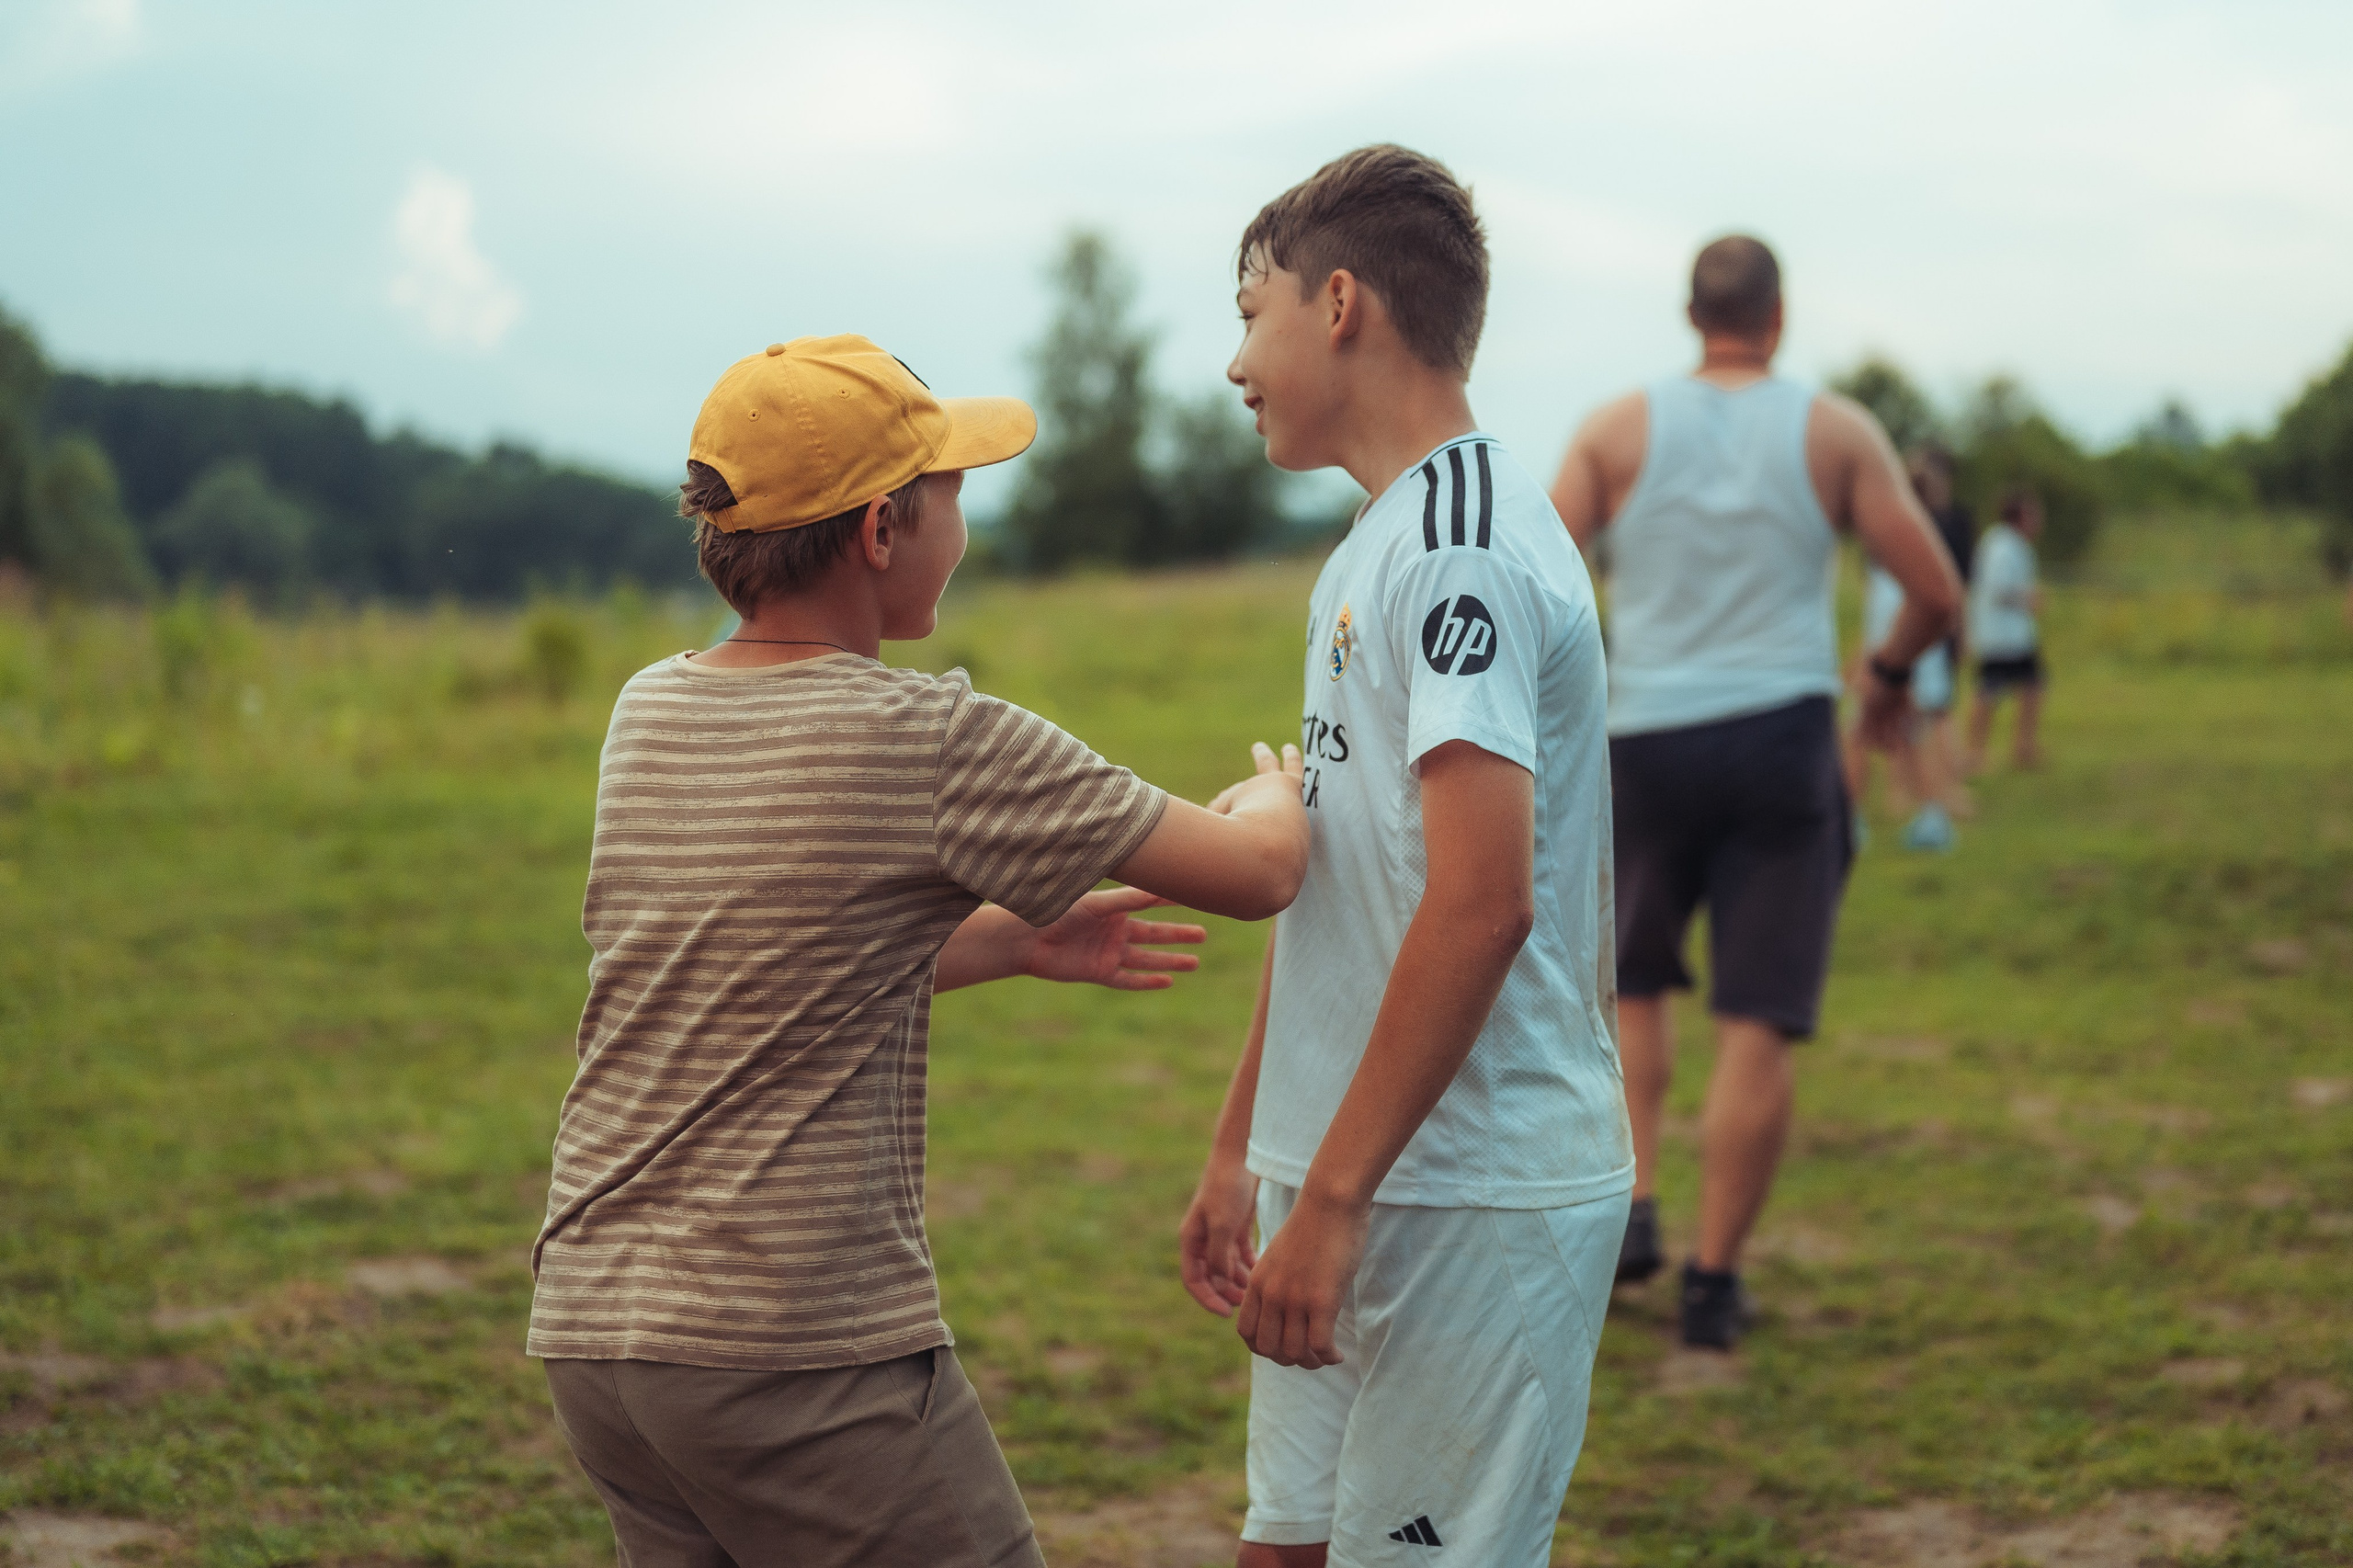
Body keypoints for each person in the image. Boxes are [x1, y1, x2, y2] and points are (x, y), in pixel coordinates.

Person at [528, 335, 1313, 1568]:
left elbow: (756, 959)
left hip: (601, 1335)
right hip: (794, 1348)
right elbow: (1258, 874)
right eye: (950, 494)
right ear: (882, 532)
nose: (964, 523)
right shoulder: (929, 736)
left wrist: (1009, 940)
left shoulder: (652, 709)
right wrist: (1278, 793)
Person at [1180, 146, 1631, 1567]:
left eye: (1248, 314)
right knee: (1285, 1548)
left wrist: (1331, 1199)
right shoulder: (1374, 546)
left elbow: (1483, 904)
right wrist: (1245, 1152)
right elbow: (1344, 880)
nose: (1234, 363)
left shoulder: (1466, 541)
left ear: (1339, 304)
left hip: (1467, 1194)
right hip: (1346, 1176)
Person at [1549, 236, 1961, 1347]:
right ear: (1775, 319)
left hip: (1643, 739)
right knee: (1756, 1018)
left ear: (1694, 315)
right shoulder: (1832, 430)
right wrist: (1877, 680)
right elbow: (1933, 588)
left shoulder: (1614, 429)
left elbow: (1534, 572)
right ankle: (1713, 1283)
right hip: (1781, 736)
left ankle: (1632, 1206)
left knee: (1633, 986)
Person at [1966, 486, 2047, 771]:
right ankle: (1974, 753)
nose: (2039, 520)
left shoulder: (2013, 544)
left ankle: (2023, 747)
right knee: (1988, 693)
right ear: (2021, 515)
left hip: (2016, 636)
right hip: (2000, 637)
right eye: (2034, 514)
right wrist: (2028, 598)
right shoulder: (2001, 546)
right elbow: (1997, 590)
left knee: (2033, 687)